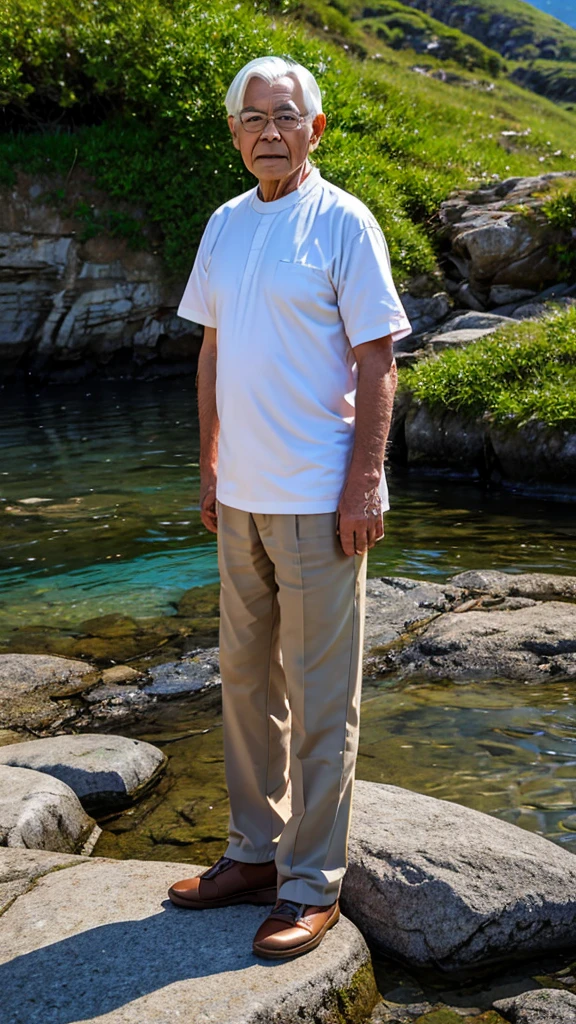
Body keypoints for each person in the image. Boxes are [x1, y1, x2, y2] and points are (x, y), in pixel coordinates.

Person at [168, 54, 411, 959]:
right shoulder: (225, 224)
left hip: (318, 499)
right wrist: (209, 466)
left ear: (316, 129)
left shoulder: (345, 222)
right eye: (252, 118)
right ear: (234, 136)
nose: (269, 130)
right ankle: (255, 854)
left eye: (286, 116)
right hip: (241, 500)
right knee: (243, 687)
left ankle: (313, 885)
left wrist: (363, 483)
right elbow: (214, 351)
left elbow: (378, 360)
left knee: (320, 700)